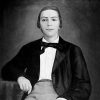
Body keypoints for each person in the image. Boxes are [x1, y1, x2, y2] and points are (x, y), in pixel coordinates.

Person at [1, 6, 92, 100]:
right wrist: (20, 77)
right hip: (32, 94)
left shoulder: (73, 50)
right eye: (44, 20)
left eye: (53, 19)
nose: (49, 24)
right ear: (39, 24)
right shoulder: (29, 48)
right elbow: (7, 70)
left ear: (59, 24)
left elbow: (84, 85)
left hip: (61, 95)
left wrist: (66, 99)